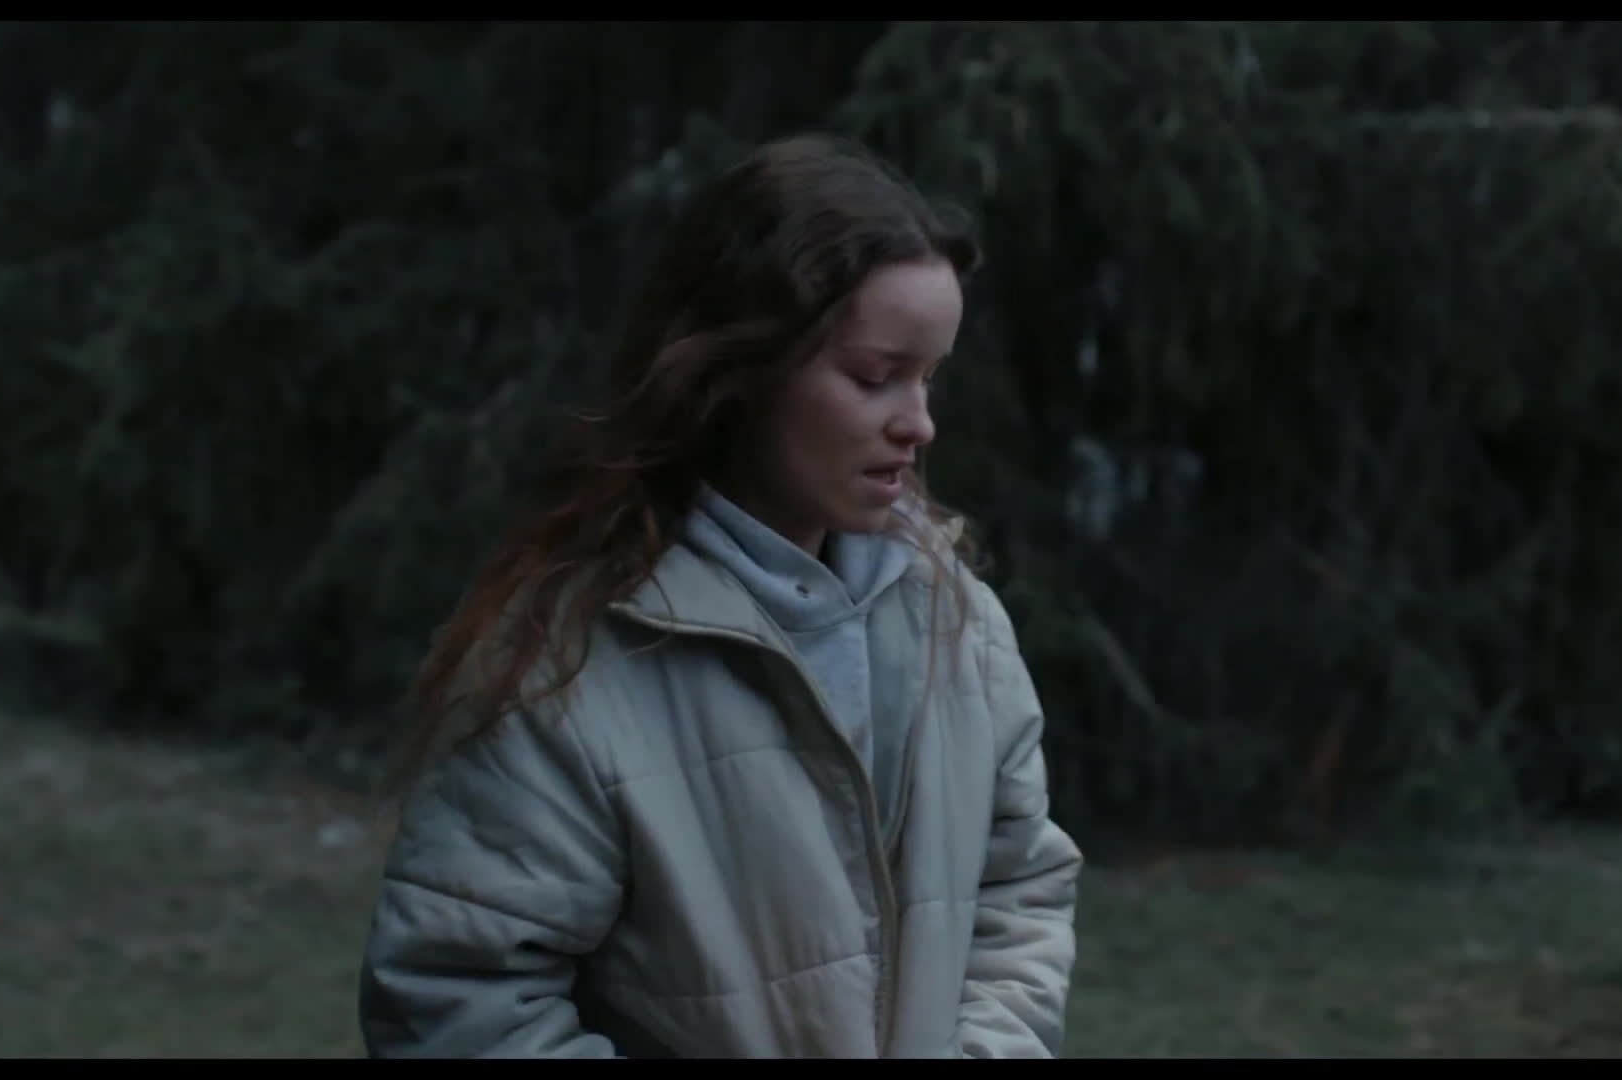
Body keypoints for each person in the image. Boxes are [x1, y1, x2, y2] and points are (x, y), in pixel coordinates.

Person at [356, 133, 1083, 1059]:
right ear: (739, 370)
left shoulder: (958, 624)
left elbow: (1018, 893)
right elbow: (462, 1003)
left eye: (929, 377)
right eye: (875, 377)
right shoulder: (561, 666)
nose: (919, 422)